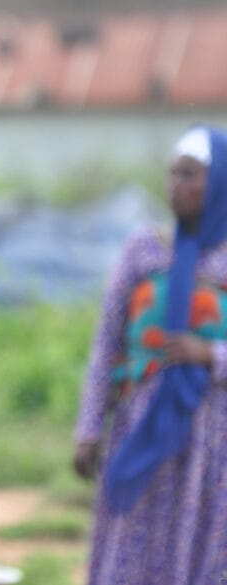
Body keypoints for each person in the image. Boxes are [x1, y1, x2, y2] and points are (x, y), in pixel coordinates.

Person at [72, 125, 227, 585]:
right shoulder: (145, 248)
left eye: (189, 174)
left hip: (213, 440)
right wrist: (89, 429)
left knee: (199, 544)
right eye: (172, 173)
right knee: (131, 539)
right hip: (140, 425)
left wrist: (211, 354)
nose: (174, 184)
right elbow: (108, 342)